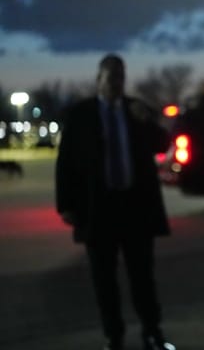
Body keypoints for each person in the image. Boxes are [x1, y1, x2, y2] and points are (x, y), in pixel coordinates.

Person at [55, 54, 176, 350]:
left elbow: (162, 145)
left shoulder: (137, 110)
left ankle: (152, 332)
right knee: (104, 279)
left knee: (142, 276)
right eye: (111, 78)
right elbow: (66, 162)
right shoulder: (81, 115)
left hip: (135, 207)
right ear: (99, 80)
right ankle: (114, 336)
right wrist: (66, 205)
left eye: (121, 78)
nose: (116, 84)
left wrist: (148, 121)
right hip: (98, 208)